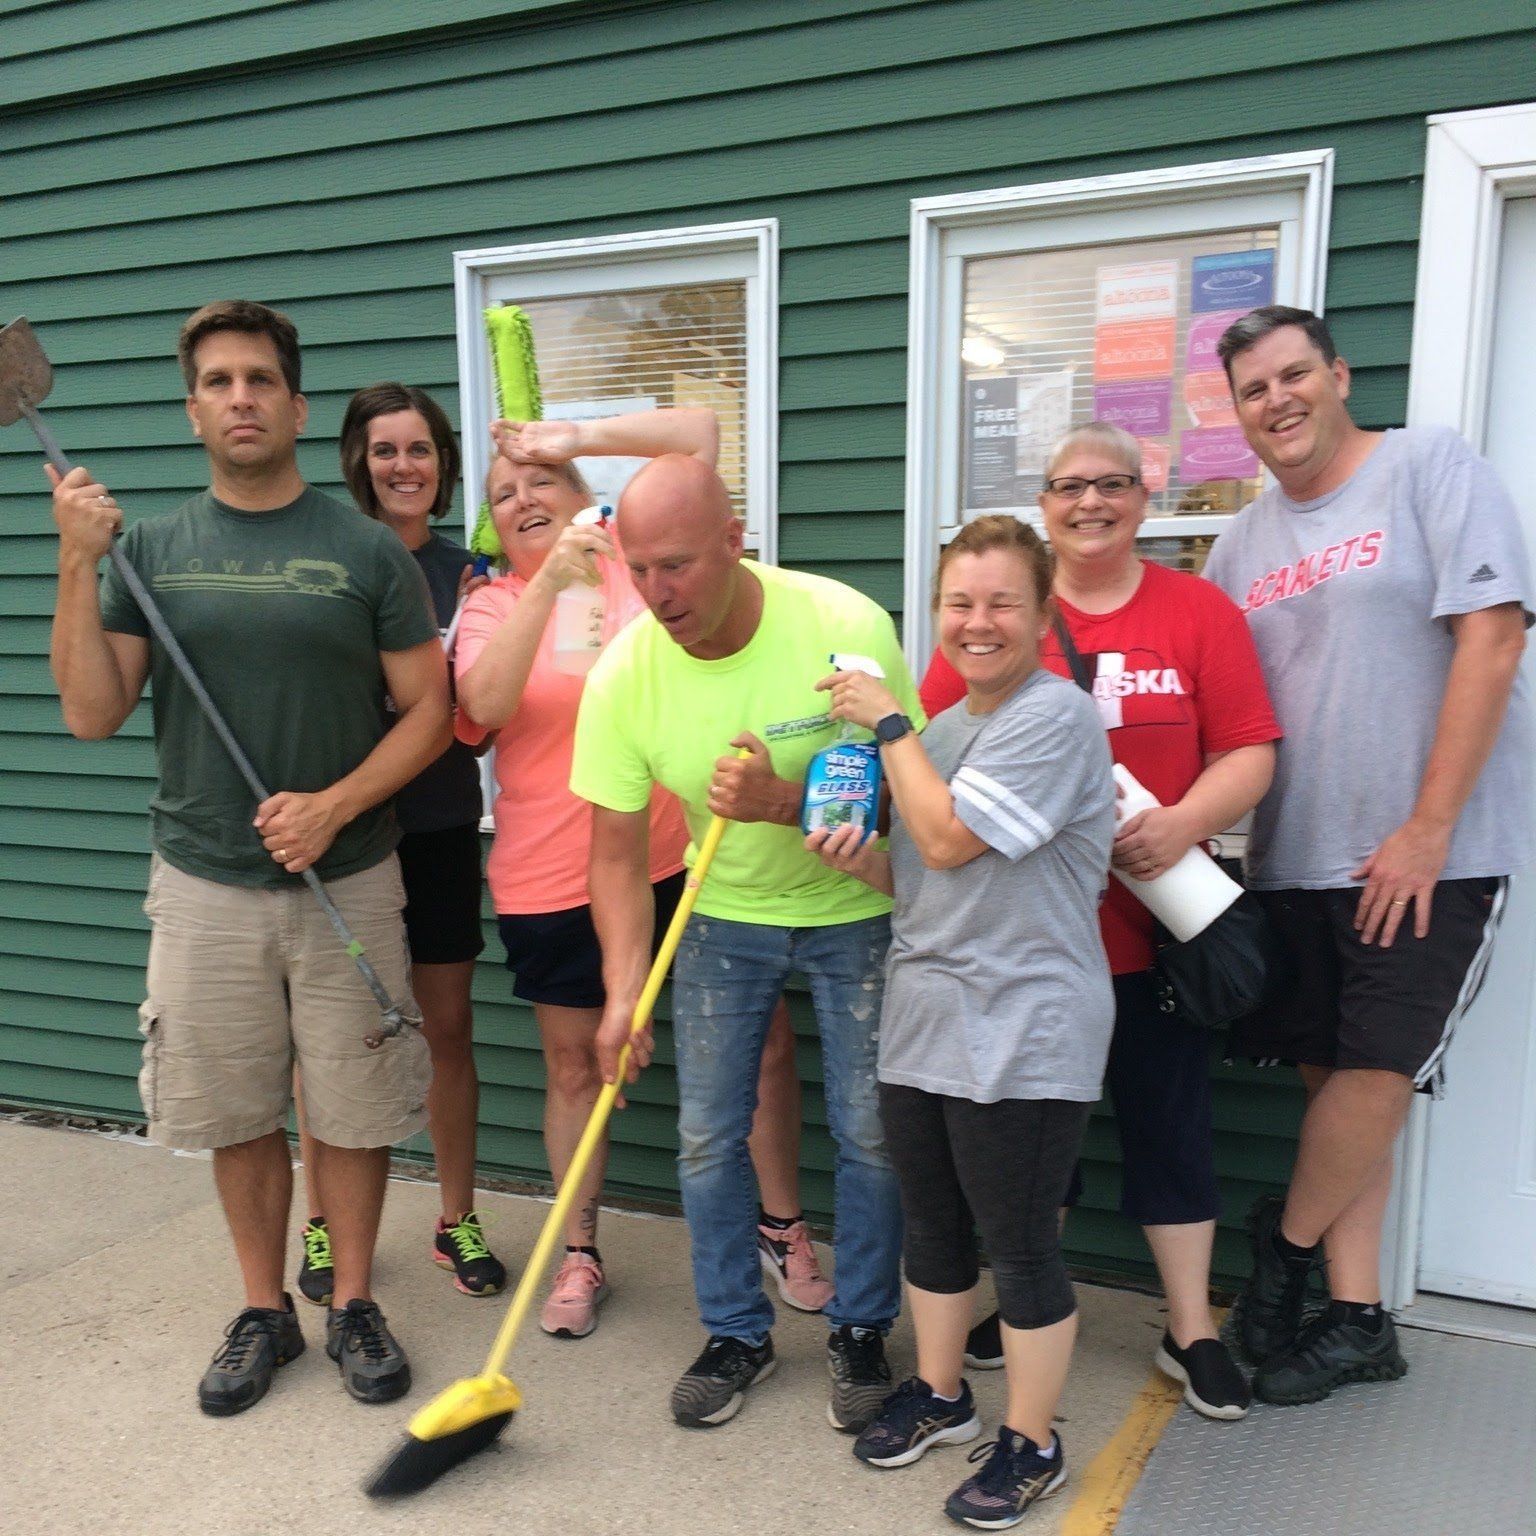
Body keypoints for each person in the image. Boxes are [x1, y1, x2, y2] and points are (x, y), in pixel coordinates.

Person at [47, 301, 448, 1415]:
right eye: (219, 382)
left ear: (295, 404)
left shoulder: (364, 549)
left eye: (260, 379)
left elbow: (429, 712)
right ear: (192, 409)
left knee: (355, 1105)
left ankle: (354, 1300)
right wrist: (78, 565)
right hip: (205, 879)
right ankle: (263, 1309)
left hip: (349, 873)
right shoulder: (152, 551)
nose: (240, 398)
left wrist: (335, 806)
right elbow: (89, 710)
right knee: (234, 1109)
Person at [1204, 305, 1531, 1405]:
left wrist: (1430, 827)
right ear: (1239, 415)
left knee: (1380, 1069)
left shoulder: (1429, 468)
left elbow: (1493, 634)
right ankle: (1358, 1319)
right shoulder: (1239, 542)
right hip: (1297, 855)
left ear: (1338, 375)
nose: (1278, 400)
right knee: (1346, 1092)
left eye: (1295, 374)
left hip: (1429, 852)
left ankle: (1279, 1260)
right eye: (1254, 390)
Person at [920, 423, 1279, 1421]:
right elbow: (935, 765)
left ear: (1143, 494)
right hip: (1029, 945)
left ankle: (1191, 1330)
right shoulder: (999, 621)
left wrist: (1186, 824)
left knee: (1170, 1128)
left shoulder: (1198, 613)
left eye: (1111, 484)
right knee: (1043, 1146)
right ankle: (1035, 1297)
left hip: (1156, 929)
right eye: (1069, 487)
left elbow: (1251, 746)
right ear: (1044, 504)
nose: (1090, 503)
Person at [455, 413, 830, 1339]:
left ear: (590, 498)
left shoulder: (645, 572)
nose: (524, 498)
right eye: (504, 495)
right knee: (579, 1067)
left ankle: (780, 1226)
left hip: (682, 857)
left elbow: (697, 438)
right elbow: (483, 704)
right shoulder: (494, 606)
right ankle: (579, 1251)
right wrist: (550, 584)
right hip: (550, 875)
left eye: (542, 479)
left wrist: (568, 433)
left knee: (763, 1046)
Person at [572, 454, 924, 1431]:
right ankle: (736, 1331)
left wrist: (782, 802)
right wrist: (620, 996)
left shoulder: (845, 628)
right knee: (703, 1139)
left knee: (870, 1136)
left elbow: (913, 793)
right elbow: (612, 856)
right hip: (722, 913)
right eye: (637, 568)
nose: (656, 592)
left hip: (855, 910)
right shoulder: (625, 674)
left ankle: (860, 1328)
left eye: (677, 565)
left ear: (736, 542)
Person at [810, 515, 1113, 1528]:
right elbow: (913, 876)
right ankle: (942, 1395)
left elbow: (943, 840)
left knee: (1019, 1246)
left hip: (1026, 1026)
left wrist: (889, 725)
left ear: (1040, 613)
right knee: (934, 1226)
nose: (977, 623)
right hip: (928, 1015)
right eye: (959, 603)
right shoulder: (942, 733)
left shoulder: (1056, 717)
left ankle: (1033, 1441)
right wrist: (848, 848)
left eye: (1001, 603)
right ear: (936, 611)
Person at [289, 383, 506, 1308]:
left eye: (420, 449)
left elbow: (482, 726)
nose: (404, 467)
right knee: (331, 1043)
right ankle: (324, 1224)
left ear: (443, 465)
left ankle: (456, 1217)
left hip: (441, 827)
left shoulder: (473, 578)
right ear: (359, 463)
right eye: (385, 451)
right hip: (345, 831)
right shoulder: (324, 559)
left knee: (445, 1027)